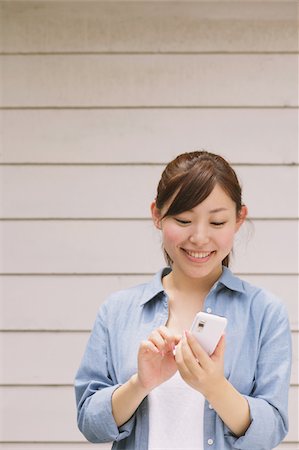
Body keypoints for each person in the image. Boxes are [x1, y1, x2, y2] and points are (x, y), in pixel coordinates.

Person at [75, 150, 292, 450]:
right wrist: (141, 383)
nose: (200, 237)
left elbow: (271, 431)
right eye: (183, 219)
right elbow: (90, 422)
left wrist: (214, 387)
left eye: (217, 222)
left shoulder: (266, 313)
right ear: (157, 215)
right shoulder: (118, 310)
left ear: (239, 219)